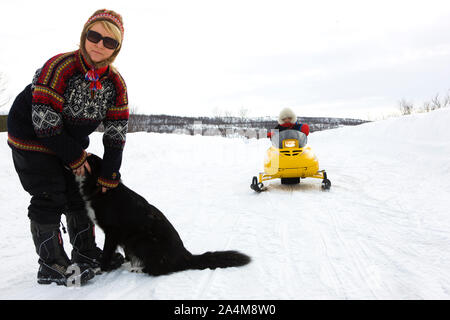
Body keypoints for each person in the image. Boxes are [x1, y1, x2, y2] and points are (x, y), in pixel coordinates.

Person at [7, 9, 129, 286]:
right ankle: (51, 264)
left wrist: (110, 173)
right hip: (30, 135)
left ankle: (86, 253)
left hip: (67, 138)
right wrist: (74, 157)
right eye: (94, 36)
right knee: (50, 194)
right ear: (84, 36)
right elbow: (45, 122)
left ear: (117, 48)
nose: (99, 44)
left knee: (79, 192)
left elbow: (116, 132)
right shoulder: (61, 67)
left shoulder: (115, 84)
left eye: (109, 41)